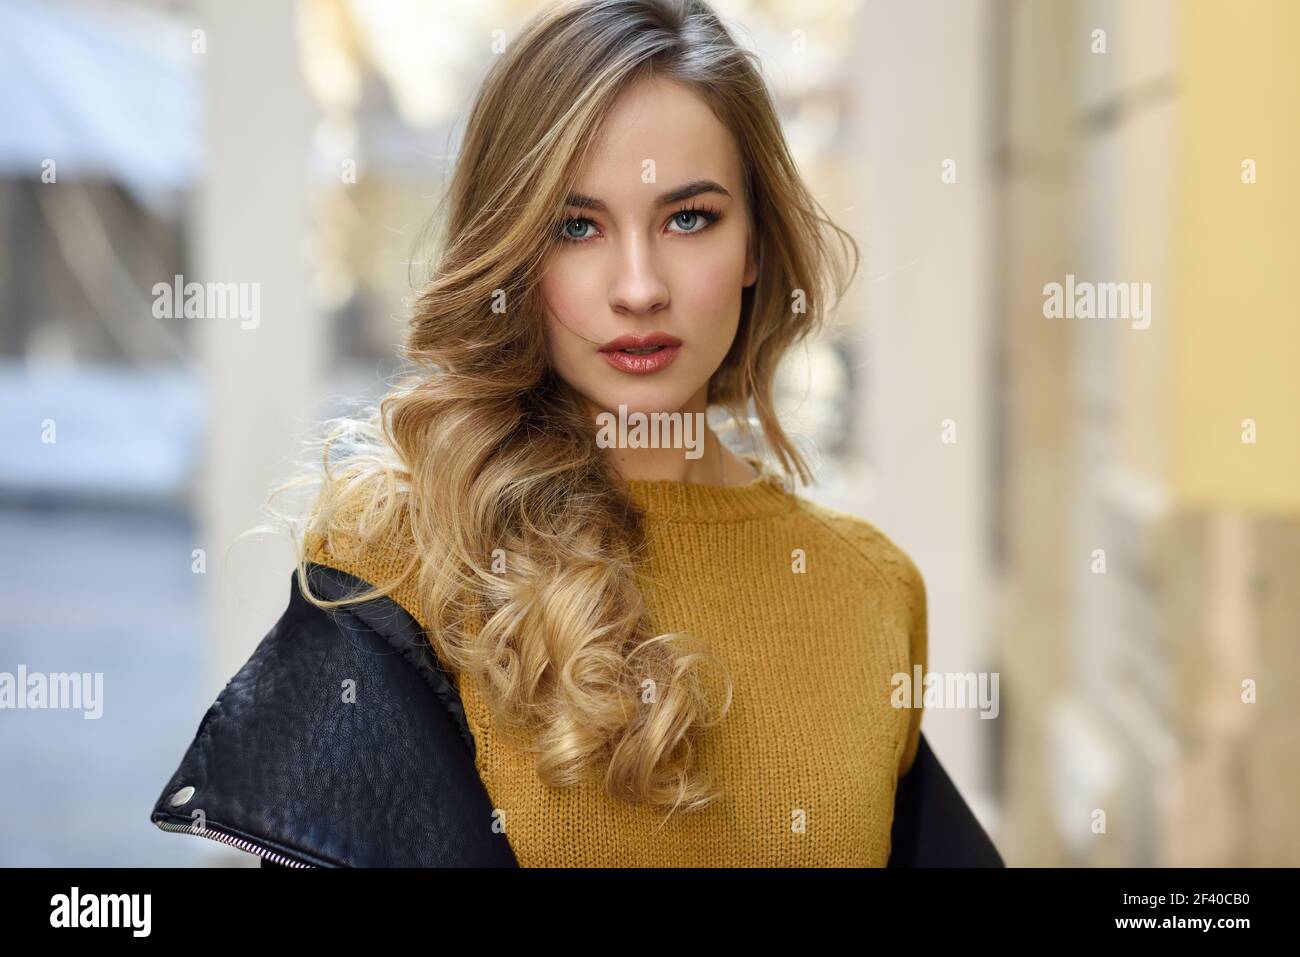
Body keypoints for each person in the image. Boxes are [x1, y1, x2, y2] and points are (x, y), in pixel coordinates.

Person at [151, 0, 1002, 868]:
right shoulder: (399, 563)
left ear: (754, 245)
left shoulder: (867, 589)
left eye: (689, 217)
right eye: (577, 226)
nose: (639, 287)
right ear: (516, 253)